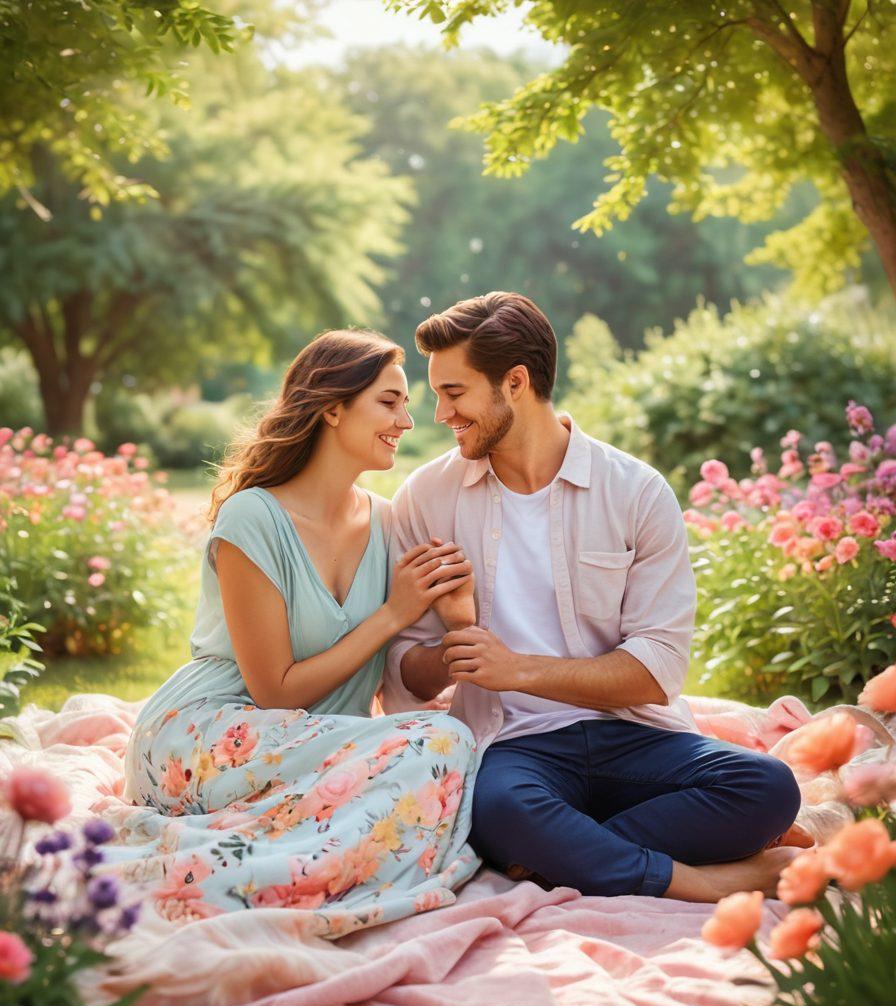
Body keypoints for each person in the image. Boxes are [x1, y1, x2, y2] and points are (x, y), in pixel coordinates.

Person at [382, 292, 806, 903]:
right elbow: (406, 674)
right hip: (514, 749)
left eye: (454, 393)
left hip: (633, 735)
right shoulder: (426, 498)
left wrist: (518, 669)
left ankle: (559, 855)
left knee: (766, 788)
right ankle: (705, 881)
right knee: (502, 807)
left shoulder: (635, 492)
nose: (441, 413)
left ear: (516, 382)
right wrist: (456, 644)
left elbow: (658, 670)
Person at [119, 330, 480, 936]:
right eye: (389, 403)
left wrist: (459, 620)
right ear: (333, 407)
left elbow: (408, 673)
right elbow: (274, 692)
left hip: (311, 747)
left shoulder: (389, 524)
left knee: (446, 744)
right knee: (440, 743)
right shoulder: (252, 517)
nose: (409, 421)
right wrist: (392, 613)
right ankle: (272, 876)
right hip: (203, 732)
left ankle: (298, 871)